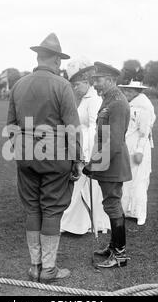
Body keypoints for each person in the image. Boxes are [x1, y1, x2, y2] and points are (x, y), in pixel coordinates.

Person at [7, 33, 84, 283]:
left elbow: (10, 126)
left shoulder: (18, 84)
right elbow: (72, 129)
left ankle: (35, 266)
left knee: (32, 208)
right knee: (51, 209)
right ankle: (49, 269)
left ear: (38, 57)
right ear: (55, 60)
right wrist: (77, 160)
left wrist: (20, 150)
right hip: (55, 156)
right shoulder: (62, 86)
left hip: (25, 155)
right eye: (59, 59)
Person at [83, 62, 132, 268]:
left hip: (112, 163)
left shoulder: (117, 103)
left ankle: (120, 254)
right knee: (111, 204)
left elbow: (114, 142)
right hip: (107, 162)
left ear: (111, 80)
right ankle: (114, 246)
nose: (94, 85)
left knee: (112, 205)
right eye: (93, 80)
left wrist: (95, 165)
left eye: (99, 80)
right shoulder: (109, 100)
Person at [60, 58, 110, 235]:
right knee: (78, 188)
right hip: (82, 146)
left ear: (86, 82)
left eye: (77, 84)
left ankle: (81, 223)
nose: (75, 88)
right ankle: (77, 223)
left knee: (83, 188)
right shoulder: (85, 98)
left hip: (89, 150)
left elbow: (95, 128)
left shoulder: (94, 99)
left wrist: (85, 155)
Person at [119, 80, 156, 225]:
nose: (126, 93)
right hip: (128, 145)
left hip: (138, 148)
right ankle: (128, 210)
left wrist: (140, 150)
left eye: (129, 91)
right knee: (127, 179)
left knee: (139, 180)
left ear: (136, 91)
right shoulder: (131, 104)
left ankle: (140, 213)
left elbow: (144, 132)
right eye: (125, 90)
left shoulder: (144, 106)